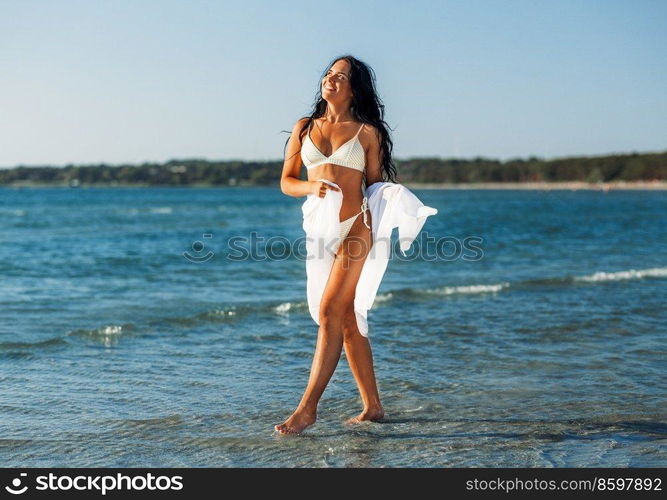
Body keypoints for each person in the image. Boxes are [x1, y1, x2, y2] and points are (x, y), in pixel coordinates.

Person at [277, 55, 436, 435]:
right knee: (345, 319)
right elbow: (286, 180)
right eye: (329, 74)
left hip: (355, 229)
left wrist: (394, 205)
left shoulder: (366, 133)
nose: (331, 80)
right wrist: (309, 186)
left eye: (341, 76)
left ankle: (307, 409)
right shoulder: (304, 128)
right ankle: (374, 406)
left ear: (354, 88)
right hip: (319, 231)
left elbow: (375, 186)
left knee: (332, 311)